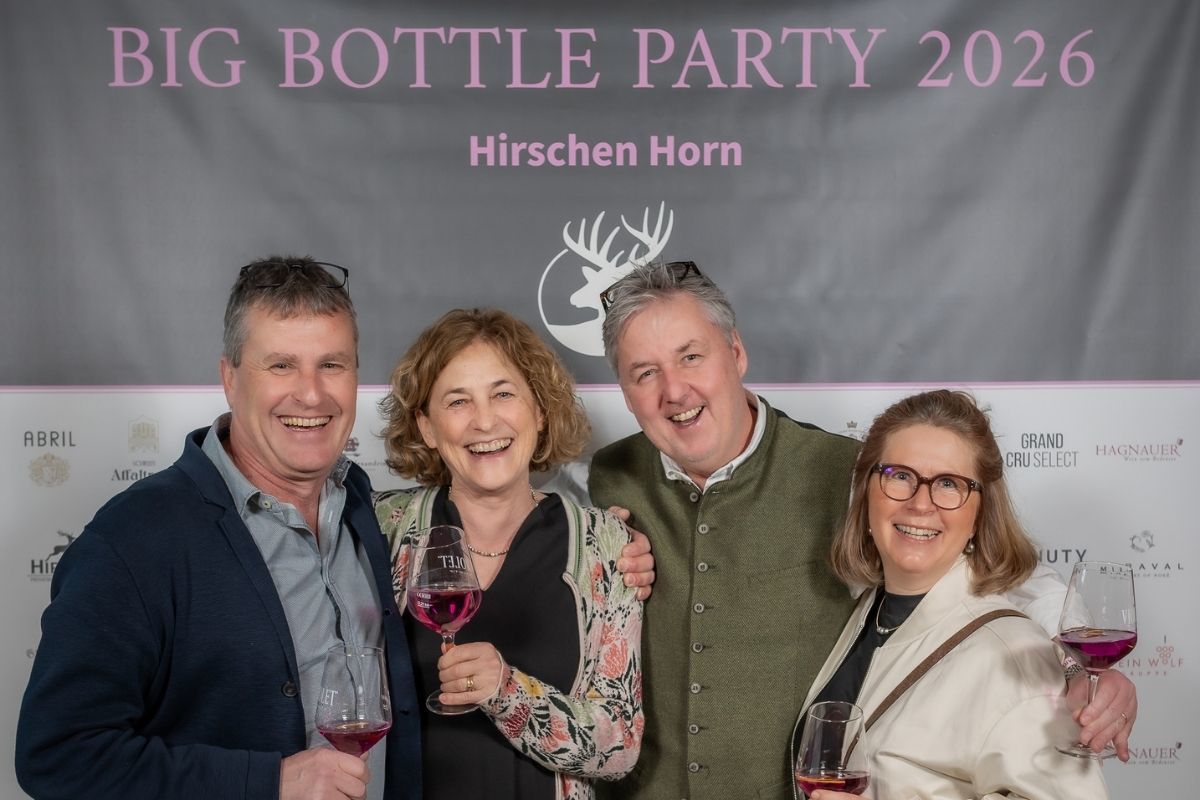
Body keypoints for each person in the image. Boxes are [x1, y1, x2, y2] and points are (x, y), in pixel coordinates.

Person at [584, 261, 1137, 800]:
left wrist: (1082, 671)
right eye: (645, 373)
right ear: (624, 391)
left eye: (691, 357)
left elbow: (1003, 573)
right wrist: (597, 559)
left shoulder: (852, 473)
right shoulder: (608, 478)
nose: (674, 391)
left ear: (735, 352)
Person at [15, 257, 421, 800]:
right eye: (281, 365)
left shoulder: (363, 508)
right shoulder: (135, 538)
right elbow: (58, 756)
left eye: (332, 364)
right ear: (230, 379)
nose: (311, 394)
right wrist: (269, 782)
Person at [374, 307, 643, 800]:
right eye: (458, 401)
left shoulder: (605, 544)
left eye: (503, 394)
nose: (484, 421)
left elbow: (619, 746)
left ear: (539, 411)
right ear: (427, 427)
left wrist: (507, 692)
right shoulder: (382, 526)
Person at [798, 389, 1108, 799]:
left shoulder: (1013, 657)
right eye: (900, 476)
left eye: (949, 484)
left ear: (980, 513)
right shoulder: (863, 614)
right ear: (867, 491)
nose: (920, 504)